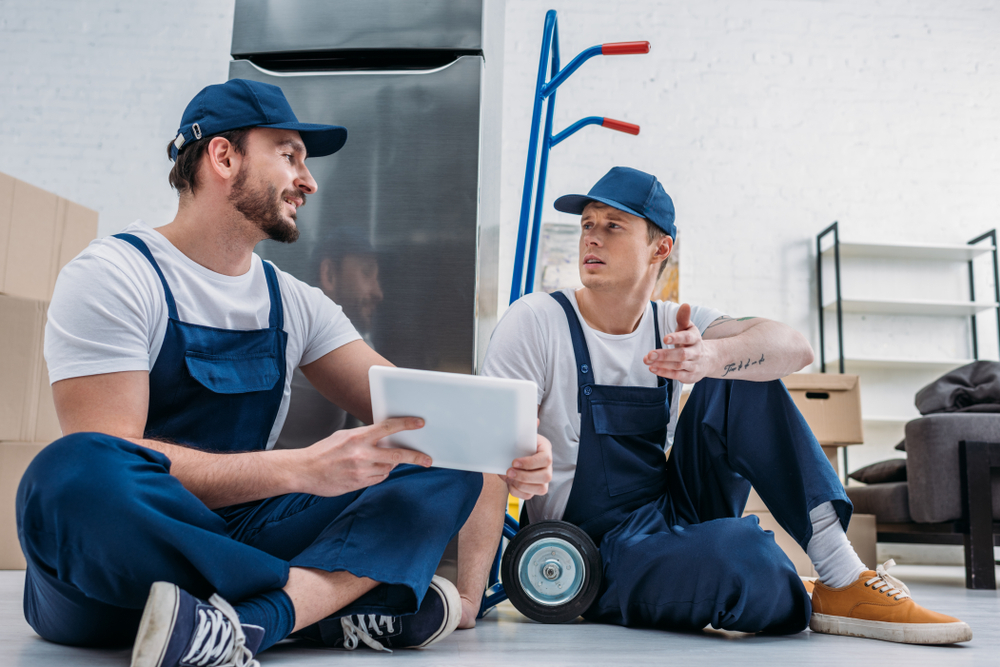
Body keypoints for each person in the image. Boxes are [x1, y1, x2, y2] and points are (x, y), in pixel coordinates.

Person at [16, 79, 551, 667]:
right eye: (288, 155)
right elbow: (115, 457)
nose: (308, 180)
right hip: (122, 567)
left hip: (246, 533)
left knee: (443, 467)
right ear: (224, 157)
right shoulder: (115, 275)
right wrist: (303, 469)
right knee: (69, 472)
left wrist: (508, 447)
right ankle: (319, 606)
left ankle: (250, 623)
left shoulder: (293, 301)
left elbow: (417, 415)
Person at [481, 166, 972, 645]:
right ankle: (758, 575)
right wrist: (467, 594)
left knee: (745, 372)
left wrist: (712, 356)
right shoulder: (537, 321)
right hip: (591, 550)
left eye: (613, 226)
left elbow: (793, 347)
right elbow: (483, 456)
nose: (592, 237)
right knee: (747, 555)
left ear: (660, 247)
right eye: (588, 224)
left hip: (671, 510)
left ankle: (843, 577)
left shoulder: (675, 321)